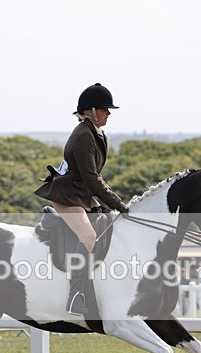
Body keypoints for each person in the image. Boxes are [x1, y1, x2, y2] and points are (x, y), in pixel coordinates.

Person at [34, 83, 129, 316]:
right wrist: (119, 204)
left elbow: (95, 178)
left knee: (108, 225)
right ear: (91, 111)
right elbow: (92, 179)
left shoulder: (97, 134)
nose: (109, 113)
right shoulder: (84, 136)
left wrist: (112, 206)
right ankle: (75, 294)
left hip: (82, 195)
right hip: (68, 195)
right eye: (105, 109)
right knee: (88, 236)